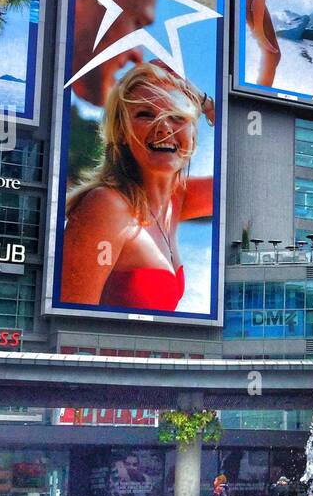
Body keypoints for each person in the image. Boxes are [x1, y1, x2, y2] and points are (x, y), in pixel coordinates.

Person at [60, 60, 215, 310]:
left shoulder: (175, 202)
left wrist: (207, 103)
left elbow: (253, 182)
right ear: (121, 131)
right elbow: (70, 320)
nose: (164, 126)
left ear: (193, 135)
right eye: (146, 114)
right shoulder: (106, 206)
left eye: (176, 116)